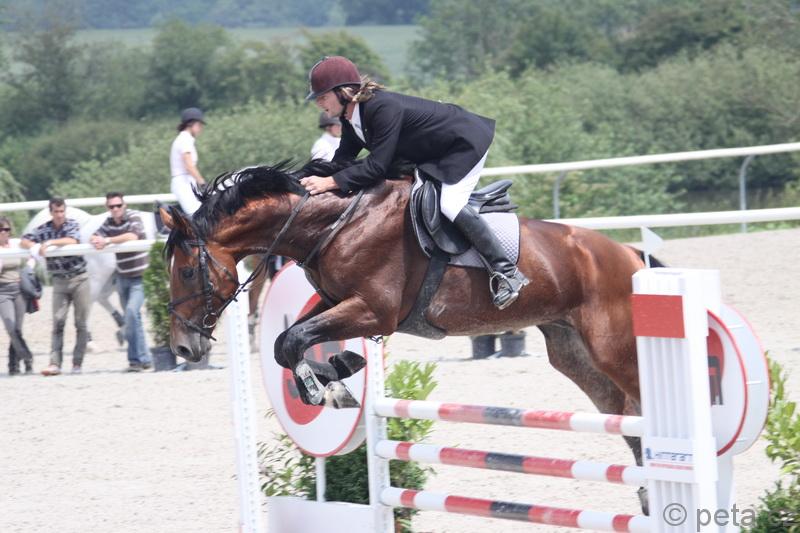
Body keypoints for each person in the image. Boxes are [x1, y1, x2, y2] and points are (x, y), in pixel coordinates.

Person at [300, 56, 529, 309]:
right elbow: (342, 161)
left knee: (449, 204)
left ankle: (507, 272)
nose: (318, 103)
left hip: (463, 143)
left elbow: (377, 166)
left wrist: (330, 182)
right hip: (432, 152)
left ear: (343, 91)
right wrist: (305, 181)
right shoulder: (350, 118)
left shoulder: (381, 108)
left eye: (322, 96)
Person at [21, 198, 91, 375]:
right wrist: (36, 246)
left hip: (79, 278)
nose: (59, 215)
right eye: (56, 212)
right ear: (50, 212)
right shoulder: (43, 229)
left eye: (62, 211)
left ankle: (77, 363)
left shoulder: (72, 224)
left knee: (81, 323)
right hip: (59, 281)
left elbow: (73, 240)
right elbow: (24, 240)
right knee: (58, 322)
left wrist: (49, 243)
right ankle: (55, 363)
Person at [90, 193, 152, 372]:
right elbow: (95, 235)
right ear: (108, 208)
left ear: (124, 205)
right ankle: (138, 360)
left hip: (139, 276)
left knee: (132, 313)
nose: (115, 209)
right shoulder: (109, 222)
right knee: (131, 319)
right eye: (112, 206)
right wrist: (96, 239)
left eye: (118, 205)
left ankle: (140, 358)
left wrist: (107, 240)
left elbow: (133, 236)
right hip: (123, 277)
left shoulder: (133, 217)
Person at [0, 216, 34, 375]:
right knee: (11, 328)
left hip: (18, 289)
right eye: (0, 229)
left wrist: (28, 270)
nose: (3, 232)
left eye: (6, 229)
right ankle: (27, 357)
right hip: (2, 291)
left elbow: (31, 253)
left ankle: (13, 365)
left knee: (18, 329)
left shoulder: (15, 244)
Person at [170, 107, 206, 215]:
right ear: (191, 124)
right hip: (183, 183)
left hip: (187, 182)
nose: (201, 128)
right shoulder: (185, 140)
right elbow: (189, 165)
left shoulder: (186, 139)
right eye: (199, 125)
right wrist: (202, 182)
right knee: (197, 214)